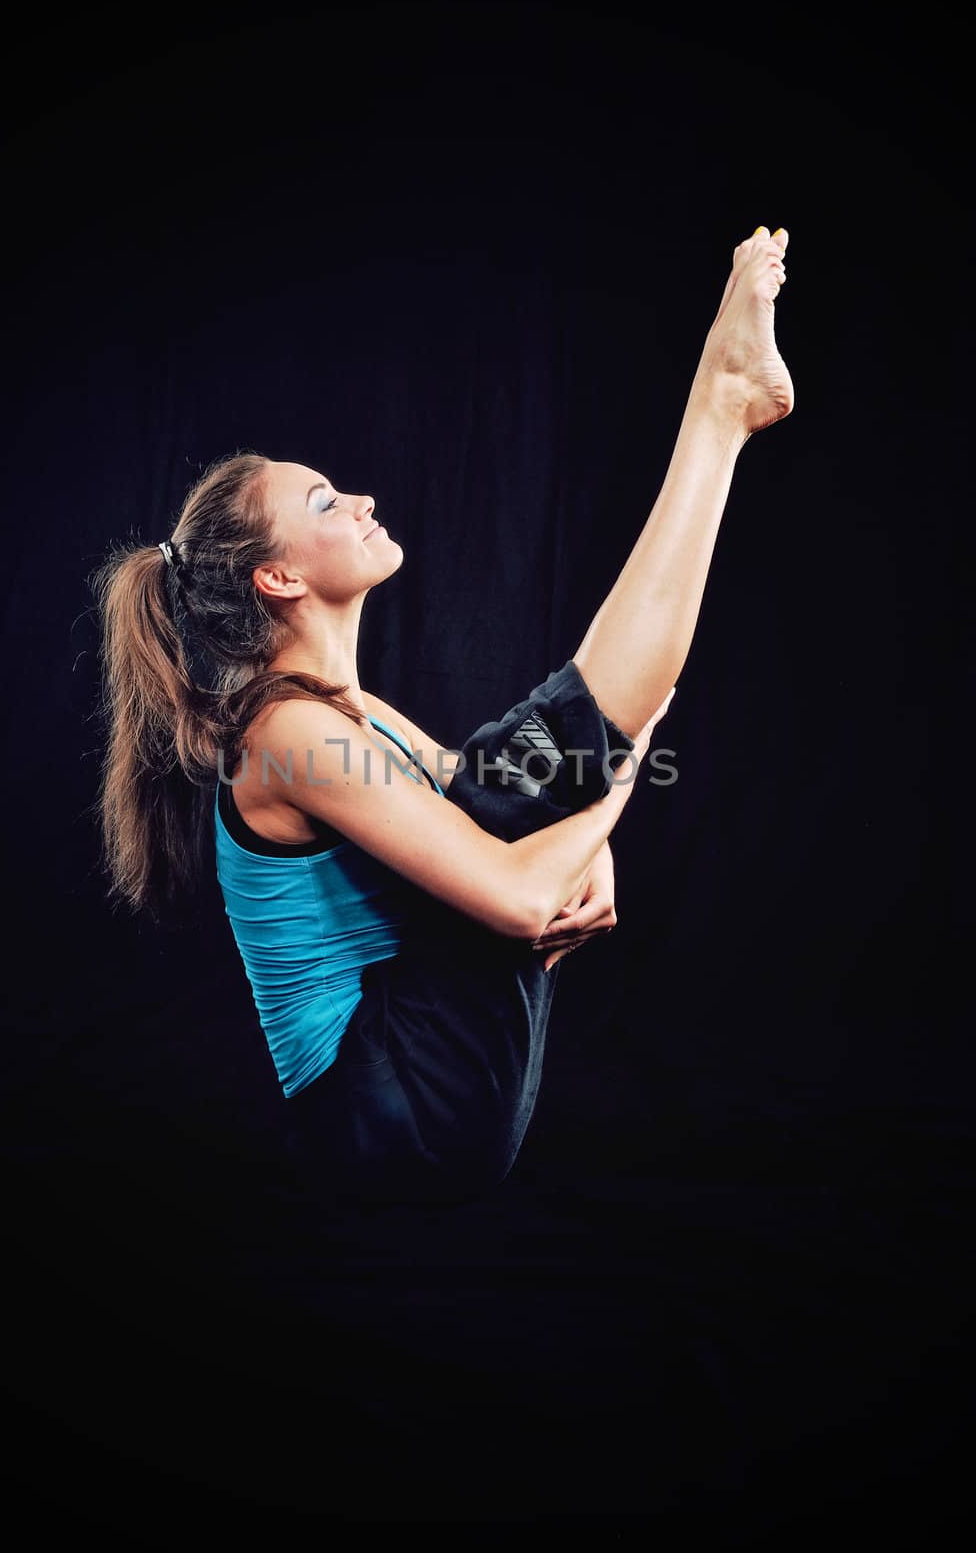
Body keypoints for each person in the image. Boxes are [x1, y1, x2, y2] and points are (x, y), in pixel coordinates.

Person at [92, 225, 792, 1205]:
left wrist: (586, 836)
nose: (363, 499)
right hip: (384, 1115)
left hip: (417, 1105)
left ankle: (718, 416)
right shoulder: (283, 736)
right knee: (524, 787)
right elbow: (514, 897)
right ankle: (714, 418)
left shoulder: (341, 713)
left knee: (502, 777)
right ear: (280, 575)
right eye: (326, 501)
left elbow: (503, 810)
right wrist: (620, 769)